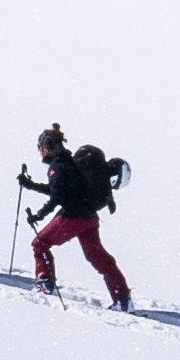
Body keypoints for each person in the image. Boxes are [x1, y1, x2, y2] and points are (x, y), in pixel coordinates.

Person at [16, 122, 132, 307]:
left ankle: (45, 284)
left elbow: (57, 197)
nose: (40, 151)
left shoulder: (58, 165)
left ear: (47, 146)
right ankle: (123, 300)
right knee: (98, 257)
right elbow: (60, 190)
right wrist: (31, 186)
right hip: (89, 217)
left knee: (40, 244)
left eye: (40, 147)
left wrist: (39, 215)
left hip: (73, 216)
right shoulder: (68, 163)